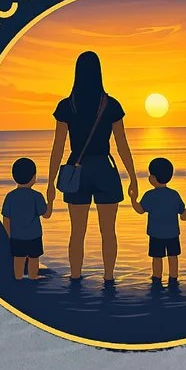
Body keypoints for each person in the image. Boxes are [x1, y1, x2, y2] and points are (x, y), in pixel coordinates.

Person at [43, 51, 136, 282]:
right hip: (105, 168)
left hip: (77, 169)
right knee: (108, 232)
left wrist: (51, 182)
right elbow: (122, 144)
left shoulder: (67, 106)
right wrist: (133, 177)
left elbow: (58, 147)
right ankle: (109, 278)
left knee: (77, 232)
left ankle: (75, 277)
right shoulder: (111, 105)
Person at [134, 158, 186, 286]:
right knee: (173, 256)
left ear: (153, 177)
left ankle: (157, 277)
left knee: (157, 257)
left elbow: (140, 210)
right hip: (173, 233)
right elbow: (182, 211)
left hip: (156, 233)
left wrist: (132, 200)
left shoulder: (149, 195)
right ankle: (173, 277)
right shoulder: (174, 194)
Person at [1, 157, 48, 279]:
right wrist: (51, 202)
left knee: (18, 258)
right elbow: (46, 214)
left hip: (17, 236)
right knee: (34, 259)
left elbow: (6, 219)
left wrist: (8, 236)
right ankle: (33, 277)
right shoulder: (37, 196)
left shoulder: (10, 197)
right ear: (34, 177)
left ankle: (18, 278)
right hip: (34, 236)